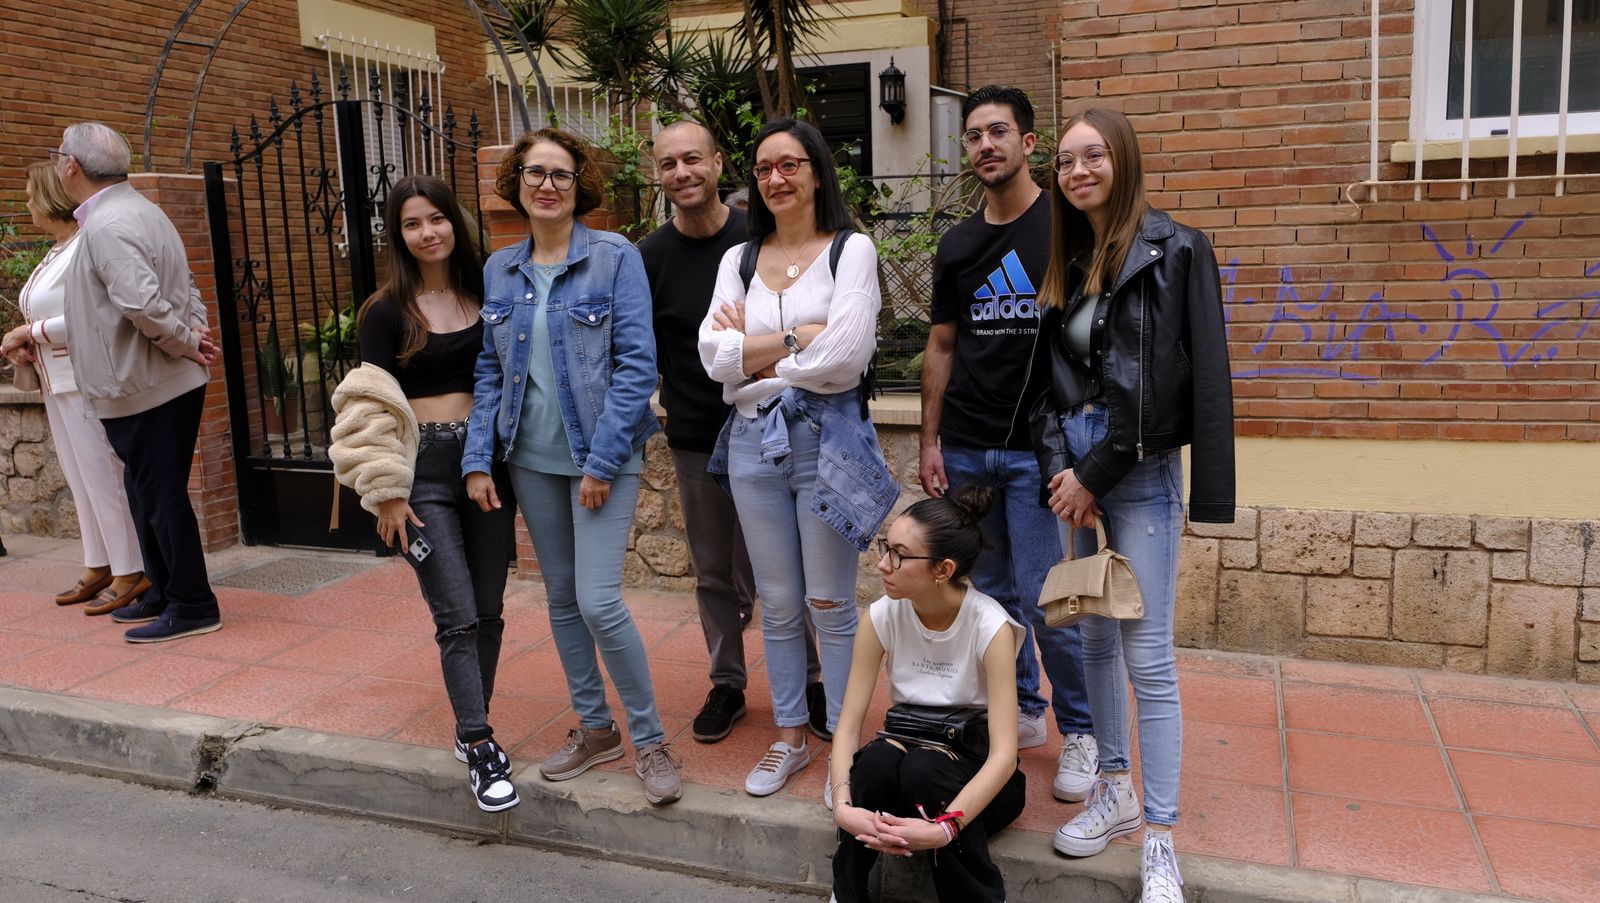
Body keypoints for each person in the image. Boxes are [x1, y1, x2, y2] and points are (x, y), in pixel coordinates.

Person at [1026, 107, 1235, 903]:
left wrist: (1093, 474)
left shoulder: (1177, 248)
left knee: (1148, 658)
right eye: (1068, 162)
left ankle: (1160, 838)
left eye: (1093, 157)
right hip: (1074, 475)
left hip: (1136, 473)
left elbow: (1180, 386)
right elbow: (1050, 389)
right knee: (1095, 645)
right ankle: (1114, 790)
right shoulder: (1070, 259)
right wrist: (1059, 471)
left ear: (1122, 160)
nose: (1078, 171)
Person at [465, 127, 681, 805]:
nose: (548, 185)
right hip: (529, 458)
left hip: (600, 457)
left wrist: (602, 460)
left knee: (598, 599)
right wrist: (479, 459)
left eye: (561, 174)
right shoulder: (500, 268)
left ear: (578, 184)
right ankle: (595, 728)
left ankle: (649, 738)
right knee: (560, 598)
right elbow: (489, 371)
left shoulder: (615, 257)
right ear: (517, 183)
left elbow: (636, 366)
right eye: (535, 173)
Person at [698, 117, 898, 797]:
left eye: (789, 165)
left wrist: (753, 350)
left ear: (816, 170)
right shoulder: (739, 260)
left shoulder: (852, 250)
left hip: (825, 441)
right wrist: (794, 336)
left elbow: (846, 358)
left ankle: (843, 751)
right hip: (753, 442)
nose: (775, 179)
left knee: (830, 602)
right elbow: (712, 362)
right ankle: (790, 738)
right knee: (779, 603)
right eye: (762, 168)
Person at [917, 85, 1098, 802]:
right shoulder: (958, 243)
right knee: (987, 596)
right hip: (966, 445)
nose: (985, 145)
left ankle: (1080, 728)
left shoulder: (1067, 225)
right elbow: (939, 344)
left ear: (1029, 144)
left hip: (1039, 451)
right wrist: (930, 440)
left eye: (999, 132)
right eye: (973, 136)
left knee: (1048, 597)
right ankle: (1023, 709)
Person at [331, 174, 519, 813]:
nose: (427, 233)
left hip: (485, 464)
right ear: (399, 235)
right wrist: (385, 492)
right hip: (420, 474)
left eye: (435, 219)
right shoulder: (384, 312)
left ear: (453, 222)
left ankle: (474, 722)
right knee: (456, 612)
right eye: (412, 224)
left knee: (489, 608)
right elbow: (365, 407)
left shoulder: (486, 293)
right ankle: (480, 739)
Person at [638, 119, 827, 744]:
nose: (682, 173)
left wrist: (750, 347)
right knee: (715, 572)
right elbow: (674, 352)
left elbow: (804, 326)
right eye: (669, 164)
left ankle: (811, 685)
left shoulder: (757, 238)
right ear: (658, 176)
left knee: (787, 572)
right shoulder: (650, 258)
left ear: (720, 164)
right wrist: (745, 348)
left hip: (774, 426)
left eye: (693, 159)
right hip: (697, 438)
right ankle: (728, 683)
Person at [50, 122, 221, 642]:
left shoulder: (108, 224)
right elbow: (184, 281)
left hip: (147, 383)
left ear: (71, 167)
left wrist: (188, 341)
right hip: (151, 379)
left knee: (161, 494)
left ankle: (193, 604)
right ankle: (165, 591)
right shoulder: (140, 209)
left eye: (59, 154)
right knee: (145, 490)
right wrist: (193, 328)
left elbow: (142, 304)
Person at [828, 487, 1027, 903]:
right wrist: (843, 807)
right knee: (874, 764)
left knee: (924, 769)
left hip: (972, 780)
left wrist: (943, 829)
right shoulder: (881, 615)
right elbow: (847, 729)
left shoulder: (991, 627)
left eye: (899, 554)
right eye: (886, 547)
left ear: (943, 569)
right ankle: (845, 894)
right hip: (906, 763)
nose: (883, 563)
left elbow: (1005, 756)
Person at [2, 162, 146, 616]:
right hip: (54, 380)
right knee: (81, 480)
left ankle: (131, 570)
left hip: (84, 378)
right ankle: (98, 562)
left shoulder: (86, 244)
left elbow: (97, 313)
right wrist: (27, 342)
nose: (26, 203)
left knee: (105, 477)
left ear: (49, 197)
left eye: (30, 194)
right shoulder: (57, 250)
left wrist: (32, 333)